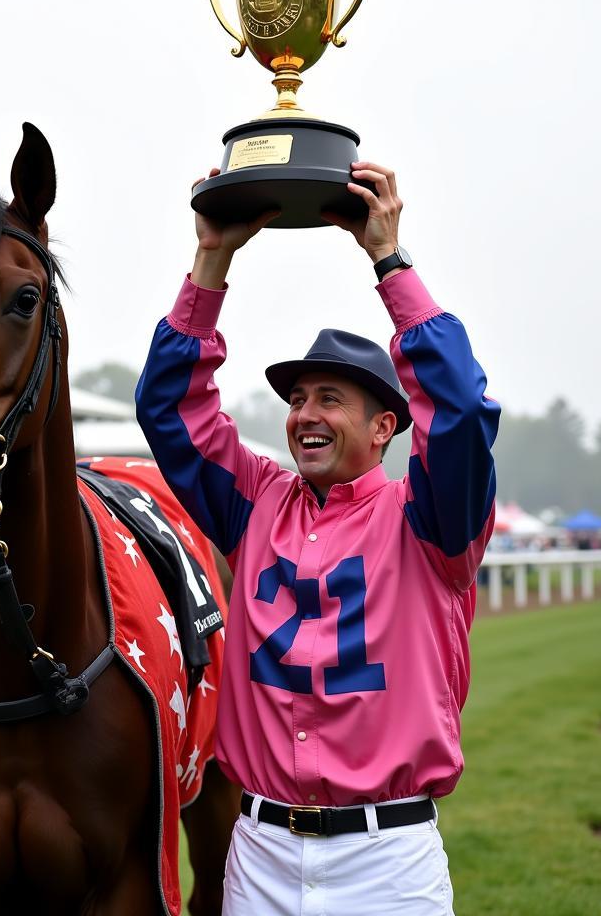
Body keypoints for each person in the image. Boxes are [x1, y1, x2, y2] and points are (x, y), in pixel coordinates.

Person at [135, 161, 500, 914]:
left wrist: (388, 261)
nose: (304, 413)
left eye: (330, 398)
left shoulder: (431, 521)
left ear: (385, 425)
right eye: (297, 398)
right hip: (260, 852)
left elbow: (460, 406)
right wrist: (212, 262)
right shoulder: (256, 500)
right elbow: (169, 409)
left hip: (387, 863)